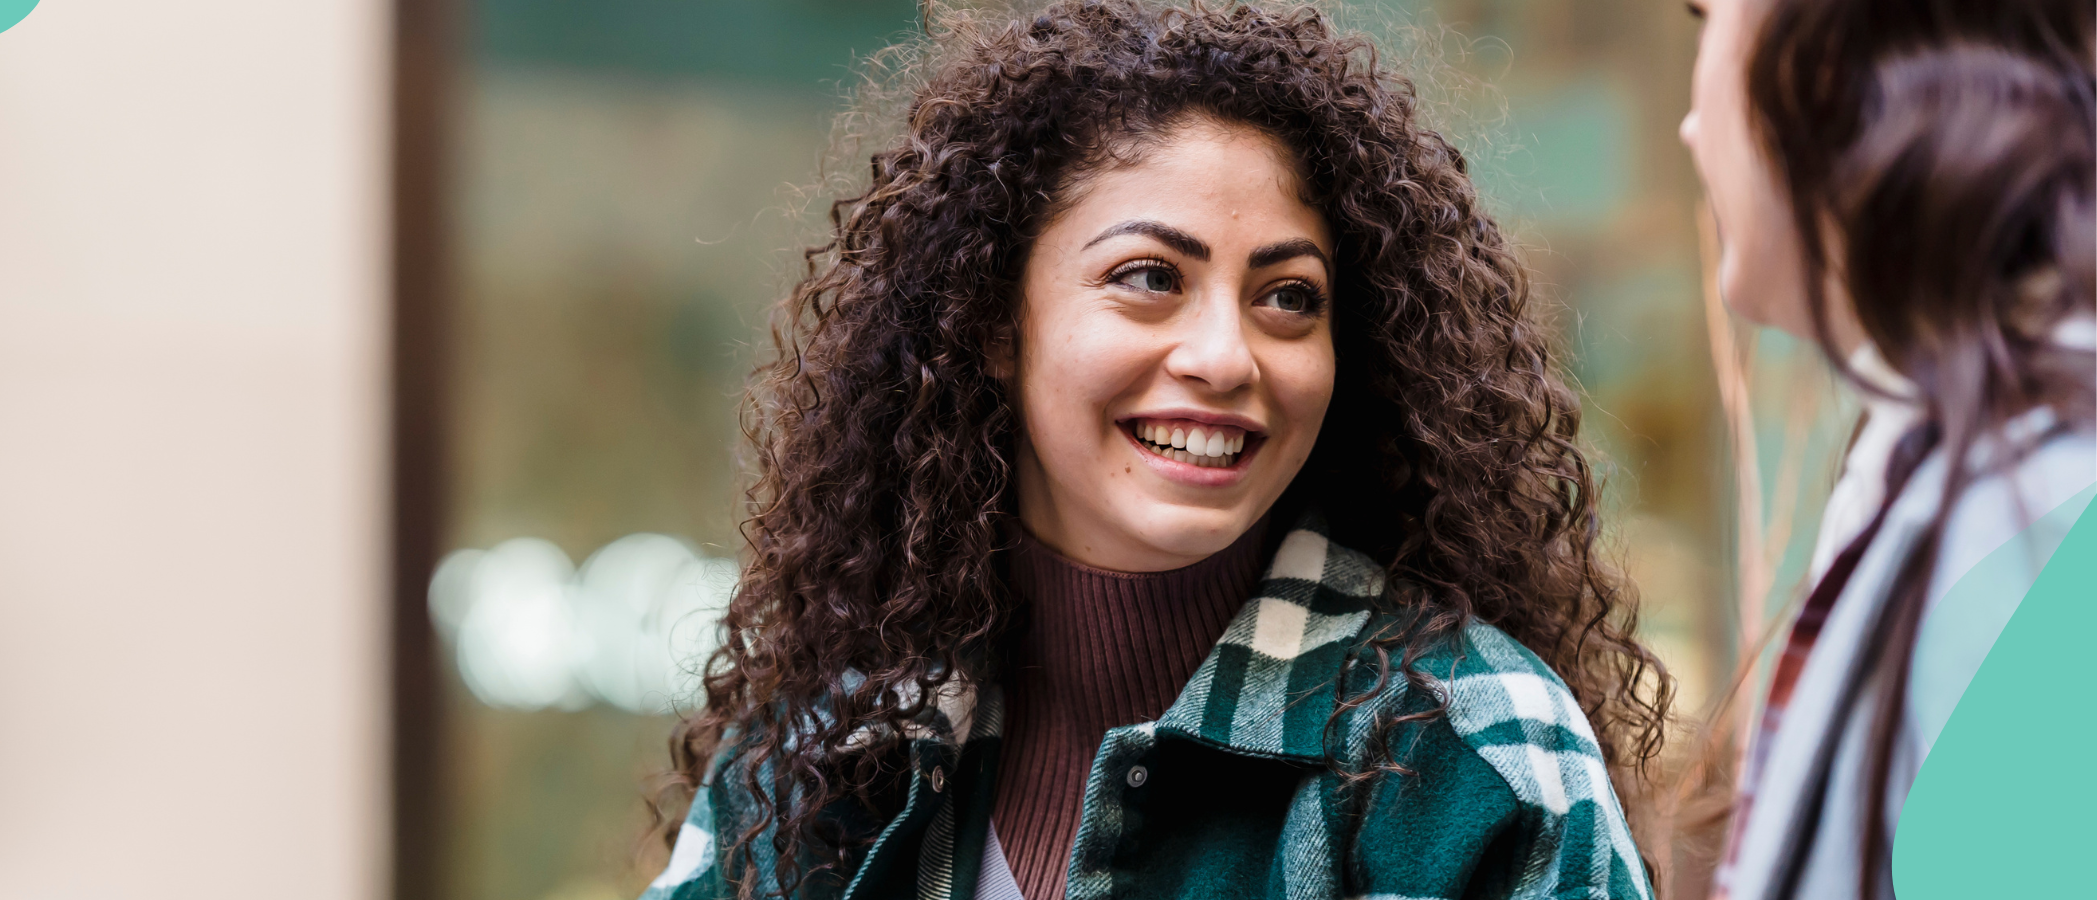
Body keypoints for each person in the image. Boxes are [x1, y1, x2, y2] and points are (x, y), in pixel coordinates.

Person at [644, 2, 1671, 898]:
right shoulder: (820, 768)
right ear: (996, 323)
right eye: (1148, 277)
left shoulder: (1464, 750)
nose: (1226, 356)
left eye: (1288, 299)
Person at [1680, 0, 2095, 898]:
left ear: (1834, 49)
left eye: (1704, 19)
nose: (1688, 125)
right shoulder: (1948, 469)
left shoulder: (2047, 506)